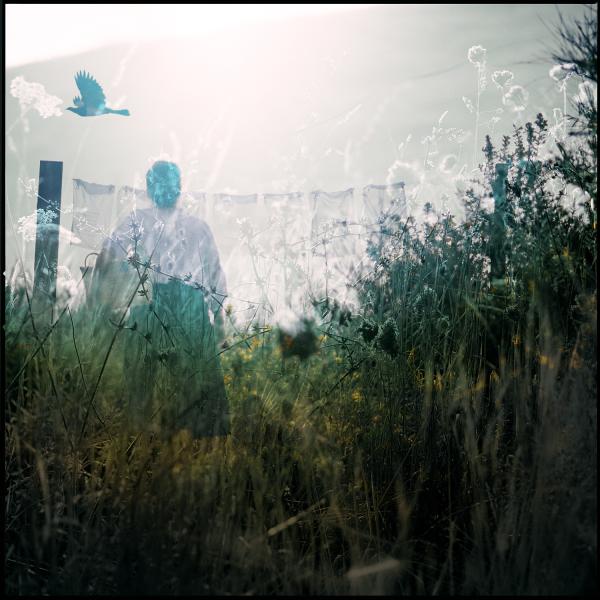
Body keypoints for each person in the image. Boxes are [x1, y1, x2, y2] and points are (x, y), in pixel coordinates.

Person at [88, 161, 229, 438]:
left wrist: (97, 301)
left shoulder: (138, 220)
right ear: (178, 188)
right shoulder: (194, 226)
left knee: (148, 387)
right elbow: (215, 276)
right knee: (190, 385)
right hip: (180, 308)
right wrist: (219, 319)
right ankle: (187, 452)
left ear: (150, 189)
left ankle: (151, 444)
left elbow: (106, 257)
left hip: (154, 306)